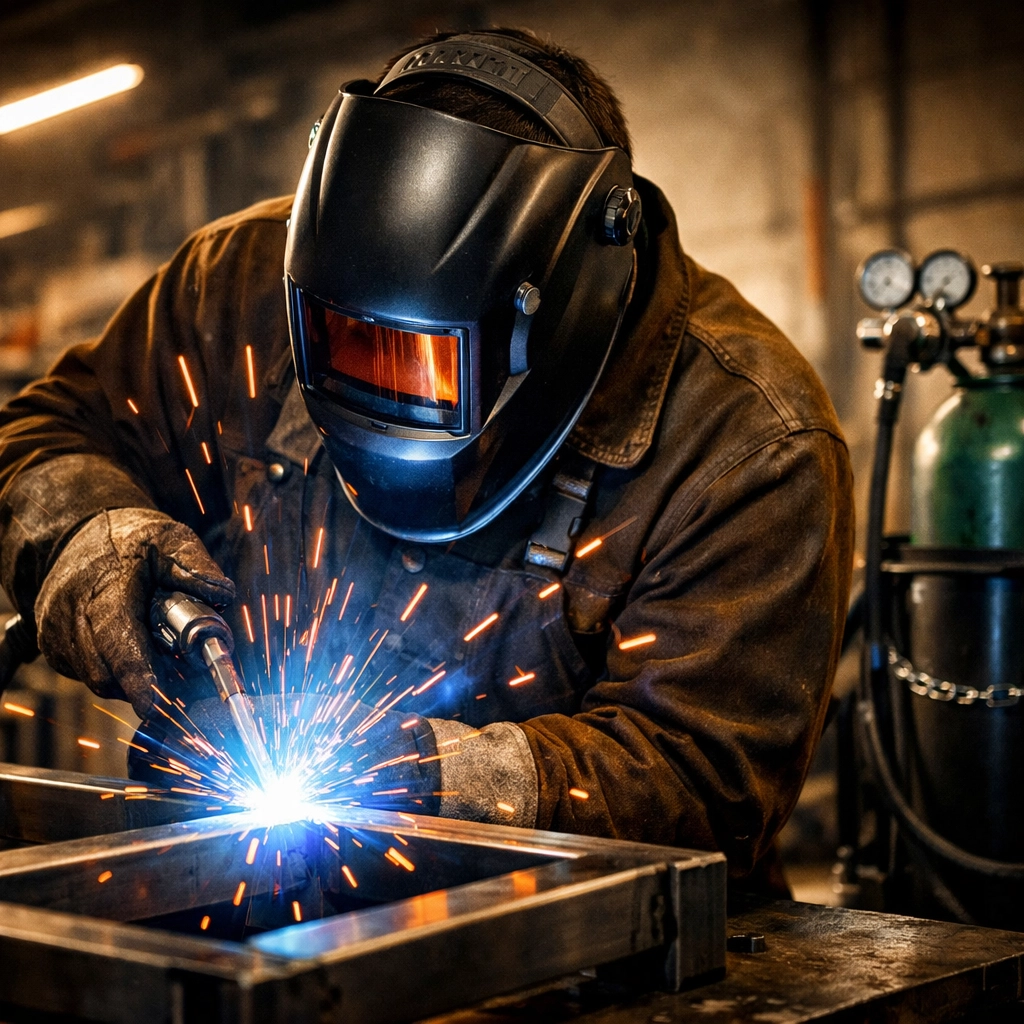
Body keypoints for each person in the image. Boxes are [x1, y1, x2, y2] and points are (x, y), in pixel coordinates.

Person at [0, 28, 853, 891]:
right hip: (252, 897)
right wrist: (86, 536)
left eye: (423, 359)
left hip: (581, 957)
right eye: (345, 341)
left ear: (551, 319)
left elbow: (704, 780)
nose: (380, 393)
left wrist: (426, 775)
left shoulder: (749, 441)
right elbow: (50, 430)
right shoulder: (240, 280)